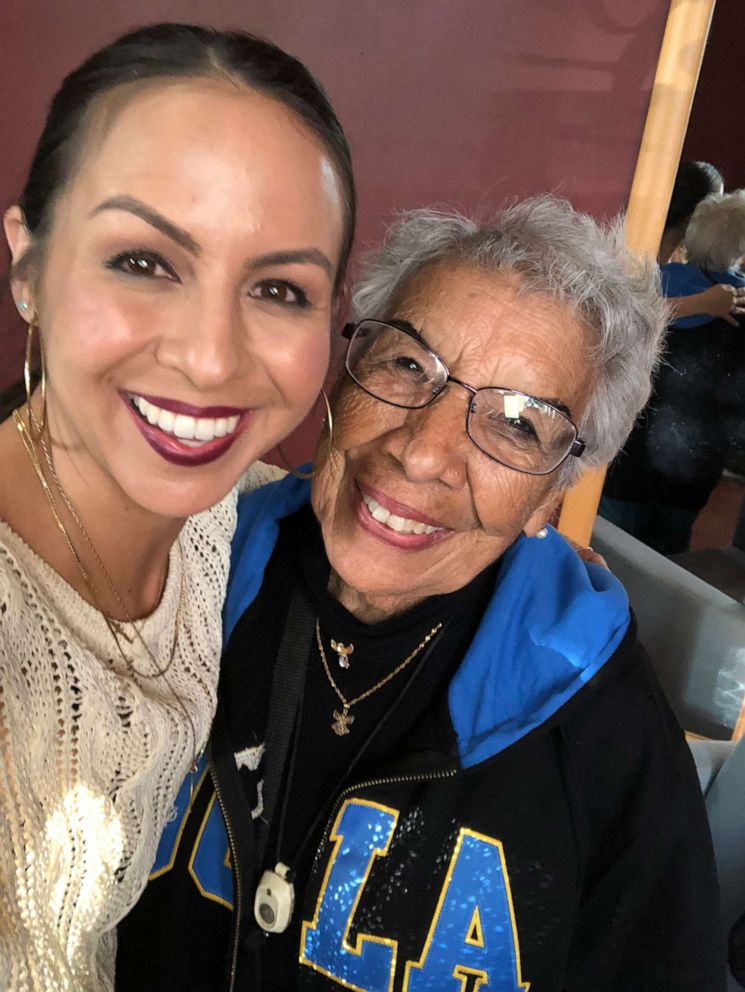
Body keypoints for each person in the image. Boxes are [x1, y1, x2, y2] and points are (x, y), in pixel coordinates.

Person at [117, 198, 724, 991]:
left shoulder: (600, 729)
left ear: (550, 499)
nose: (421, 453)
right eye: (407, 365)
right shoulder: (176, 574)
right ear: (341, 378)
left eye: (517, 422)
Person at [0, 22, 355, 992]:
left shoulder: (229, 509)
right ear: (28, 265)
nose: (209, 357)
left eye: (279, 287)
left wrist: (518, 560)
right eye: (144, 261)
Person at [602, 190, 745, 554]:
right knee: (666, 562)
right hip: (694, 469)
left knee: (604, 552)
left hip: (624, 456)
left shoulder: (648, 283)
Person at [659, 160, 745, 325]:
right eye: (716, 204)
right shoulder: (641, 265)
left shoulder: (676, 266)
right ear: (697, 216)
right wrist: (701, 303)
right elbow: (633, 312)